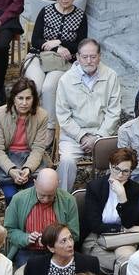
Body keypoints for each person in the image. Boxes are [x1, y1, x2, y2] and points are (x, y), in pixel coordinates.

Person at [23, 0, 88, 140]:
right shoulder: (46, 11)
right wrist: (59, 47)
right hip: (39, 56)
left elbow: (80, 45)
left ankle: (50, 127)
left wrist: (58, 42)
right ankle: (29, 123)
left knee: (49, 87)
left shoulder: (81, 17)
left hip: (63, 62)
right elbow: (36, 40)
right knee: (35, 86)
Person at [55, 38, 122, 191]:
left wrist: (98, 138)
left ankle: (111, 200)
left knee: (121, 161)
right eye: (84, 57)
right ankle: (62, 201)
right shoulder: (65, 80)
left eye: (93, 56)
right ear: (77, 57)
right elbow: (63, 116)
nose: (89, 61)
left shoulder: (111, 76)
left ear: (99, 56)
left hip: (103, 134)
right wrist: (82, 136)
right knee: (66, 162)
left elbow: (114, 112)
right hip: (74, 136)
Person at [81, 147, 139, 275]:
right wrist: (121, 229)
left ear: (131, 171)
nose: (120, 175)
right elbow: (94, 224)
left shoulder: (134, 189)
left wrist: (122, 197)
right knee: (126, 265)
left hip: (123, 239)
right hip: (97, 237)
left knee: (128, 259)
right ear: (110, 165)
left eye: (125, 171)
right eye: (116, 169)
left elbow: (128, 222)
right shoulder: (95, 187)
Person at [0, 76, 51, 204]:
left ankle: (32, 223)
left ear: (34, 99)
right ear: (13, 98)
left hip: (31, 158)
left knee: (33, 195)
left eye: (28, 98)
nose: (24, 103)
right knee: (11, 197)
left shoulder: (42, 115)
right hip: (7, 159)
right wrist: (11, 170)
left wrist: (28, 169)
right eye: (20, 98)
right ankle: (12, 223)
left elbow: (38, 148)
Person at [3, 166, 79, 266]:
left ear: (58, 184)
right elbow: (9, 230)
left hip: (58, 250)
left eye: (50, 195)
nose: (46, 200)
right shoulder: (19, 199)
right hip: (28, 250)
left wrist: (53, 240)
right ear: (35, 183)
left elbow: (74, 234)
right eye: (42, 195)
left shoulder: (68, 200)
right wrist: (26, 238)